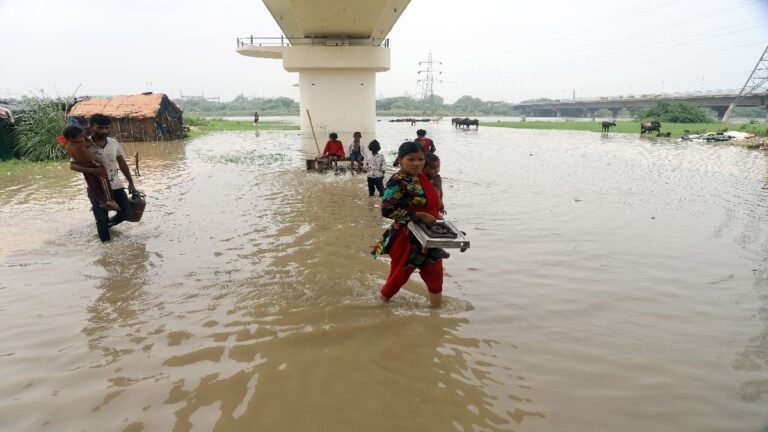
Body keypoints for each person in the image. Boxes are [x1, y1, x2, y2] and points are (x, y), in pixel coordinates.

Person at [372, 141, 445, 307]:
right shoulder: (397, 181)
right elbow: (387, 210)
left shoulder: (421, 178)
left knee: (435, 275)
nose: (416, 163)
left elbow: (430, 202)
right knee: (399, 277)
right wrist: (419, 215)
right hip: (407, 238)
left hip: (428, 236)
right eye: (411, 159)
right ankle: (379, 306)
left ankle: (436, 315)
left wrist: (435, 214)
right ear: (400, 160)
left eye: (420, 159)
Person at [69, 114, 135, 242]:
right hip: (96, 188)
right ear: (91, 127)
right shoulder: (83, 144)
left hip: (116, 184)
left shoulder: (113, 142)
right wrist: (93, 170)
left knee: (126, 213)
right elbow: (72, 166)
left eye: (107, 128)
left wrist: (131, 183)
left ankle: (109, 225)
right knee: (101, 219)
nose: (104, 131)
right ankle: (105, 249)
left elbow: (122, 163)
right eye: (100, 128)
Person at [60, 125, 120, 211]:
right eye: (80, 136)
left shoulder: (68, 146)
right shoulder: (80, 144)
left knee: (92, 184)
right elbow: (90, 143)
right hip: (93, 163)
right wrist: (85, 137)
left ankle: (102, 201)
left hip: (82, 165)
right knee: (104, 180)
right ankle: (109, 200)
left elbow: (73, 161)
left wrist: (80, 136)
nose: (82, 137)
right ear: (71, 138)